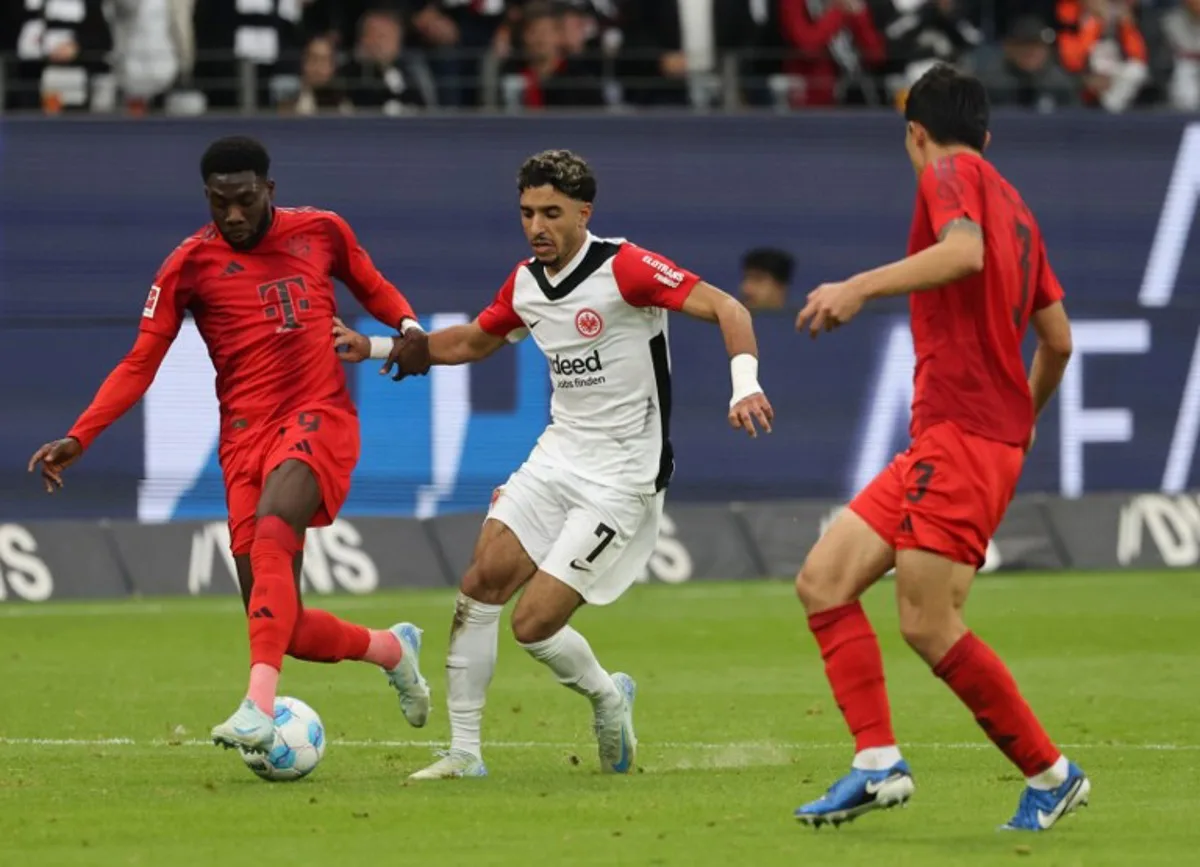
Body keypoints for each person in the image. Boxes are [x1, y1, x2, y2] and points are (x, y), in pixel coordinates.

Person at [333, 149, 774, 780]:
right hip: (557, 457)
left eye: (551, 213)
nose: (536, 226)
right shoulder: (526, 284)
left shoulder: (626, 268)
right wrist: (377, 344)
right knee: (479, 584)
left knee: (533, 625)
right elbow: (474, 341)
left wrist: (744, 384)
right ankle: (464, 753)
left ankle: (607, 696)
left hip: (622, 474)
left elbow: (731, 309)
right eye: (526, 213)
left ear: (583, 212)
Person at [27, 136, 433, 757]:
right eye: (221, 204)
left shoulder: (321, 231)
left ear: (269, 190)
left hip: (316, 415)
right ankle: (391, 649)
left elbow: (372, 285)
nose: (234, 216)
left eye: (245, 200)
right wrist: (82, 434)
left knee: (274, 526)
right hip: (244, 440)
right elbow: (141, 361)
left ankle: (256, 707)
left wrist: (406, 326)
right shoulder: (188, 265)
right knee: (284, 624)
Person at [790, 65, 1085, 831]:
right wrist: (1020, 421)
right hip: (964, 436)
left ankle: (1051, 773)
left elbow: (963, 254)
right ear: (987, 130)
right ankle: (876, 763)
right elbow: (1058, 340)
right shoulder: (1018, 207)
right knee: (824, 580)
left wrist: (858, 286)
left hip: (962, 435)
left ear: (914, 134)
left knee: (925, 621)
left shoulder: (949, 173)